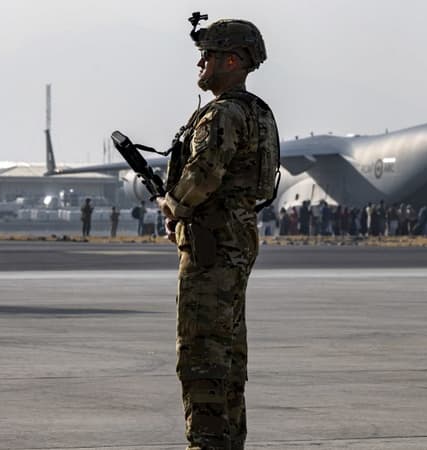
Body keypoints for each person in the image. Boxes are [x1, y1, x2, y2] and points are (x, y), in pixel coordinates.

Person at [155, 15, 278, 449]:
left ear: (232, 60)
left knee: (202, 354)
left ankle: (206, 443)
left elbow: (203, 175)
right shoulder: (257, 112)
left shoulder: (223, 114)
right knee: (228, 355)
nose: (200, 64)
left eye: (206, 56)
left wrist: (173, 207)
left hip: (210, 245)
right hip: (237, 238)